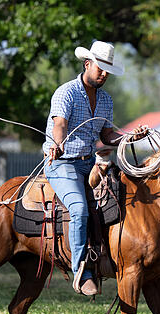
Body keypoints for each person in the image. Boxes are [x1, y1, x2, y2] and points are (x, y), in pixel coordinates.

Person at [43, 40, 146, 296]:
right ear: (87, 63)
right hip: (62, 164)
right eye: (100, 68)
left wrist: (128, 137)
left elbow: (107, 134)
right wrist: (57, 144)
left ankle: (108, 257)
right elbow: (60, 125)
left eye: (107, 70)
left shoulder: (105, 100)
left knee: (122, 199)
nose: (104, 74)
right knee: (79, 209)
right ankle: (82, 270)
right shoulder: (66, 93)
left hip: (90, 163)